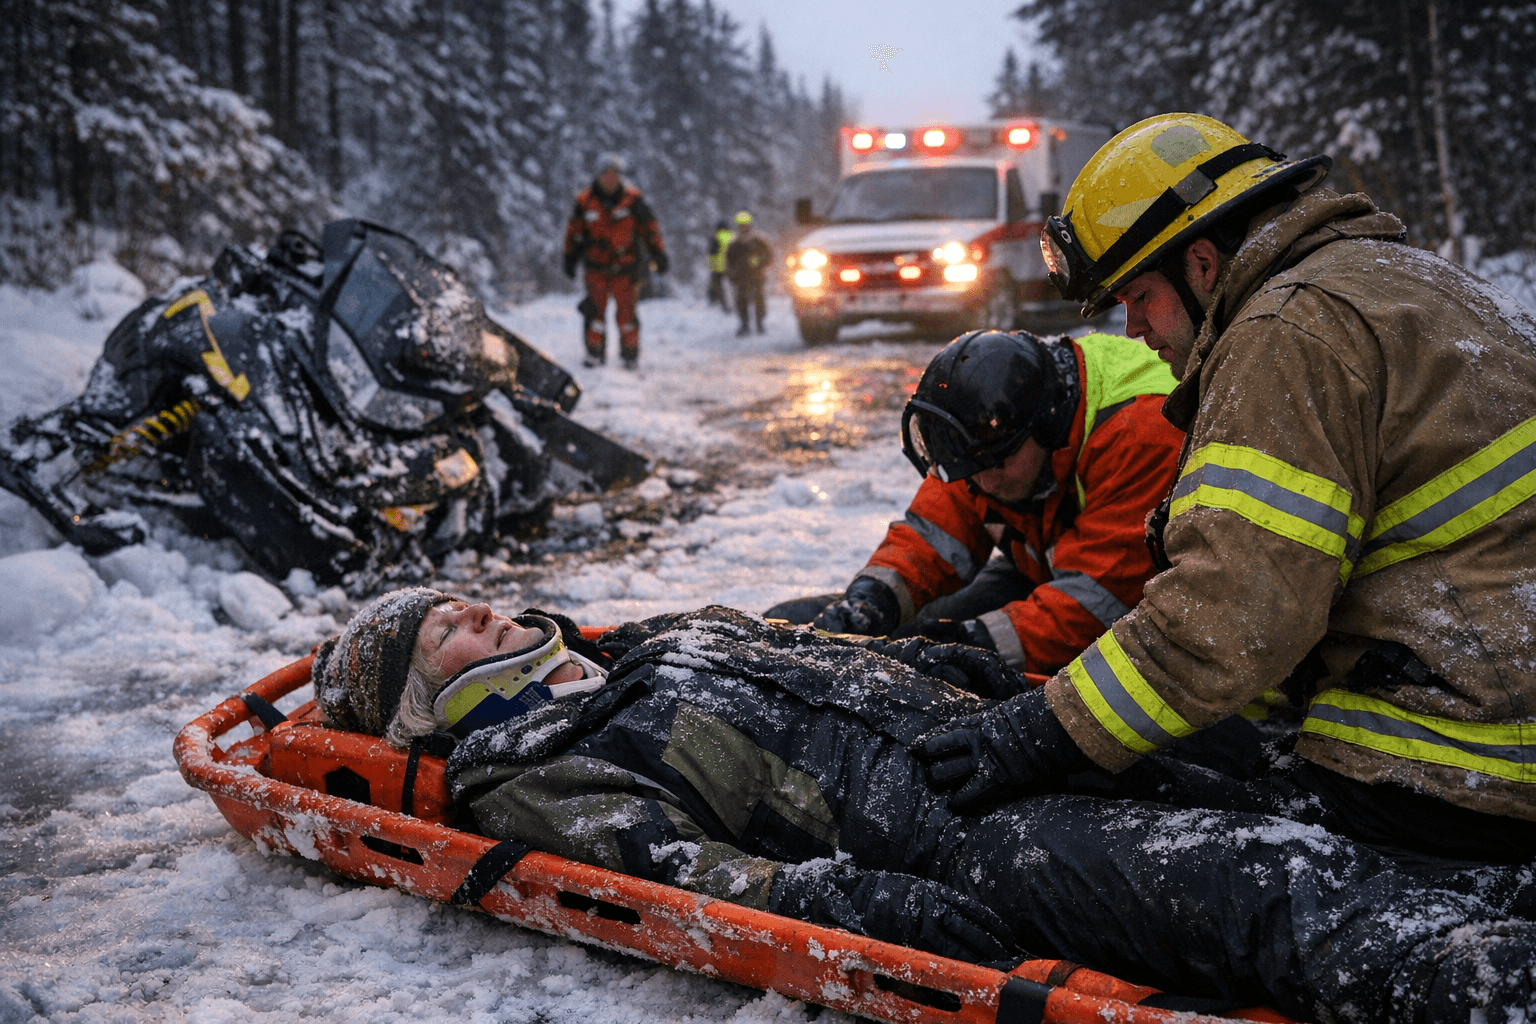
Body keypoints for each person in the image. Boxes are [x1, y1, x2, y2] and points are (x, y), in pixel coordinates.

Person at [313, 590, 1536, 1023]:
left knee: (1302, 797)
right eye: (443, 627)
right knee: (1262, 886)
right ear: (417, 700)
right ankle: (1486, 980)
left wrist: (985, 678)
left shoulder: (647, 638)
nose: (477, 609)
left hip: (1000, 746)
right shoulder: (532, 764)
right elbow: (679, 874)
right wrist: (859, 900)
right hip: (963, 837)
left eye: (465, 596)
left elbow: (839, 652)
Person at [916, 112, 1536, 905]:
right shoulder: (1404, 279)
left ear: (1202, 262)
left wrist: (1038, 733)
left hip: (1463, 763)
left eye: (1139, 296)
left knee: (1099, 851)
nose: (1133, 329)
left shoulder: (1283, 333)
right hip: (1496, 707)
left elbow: (1232, 615)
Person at [806, 329, 1183, 678]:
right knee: (924, 628)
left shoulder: (1142, 436)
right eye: (971, 469)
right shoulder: (988, 438)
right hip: (1051, 568)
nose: (985, 483)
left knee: (953, 659)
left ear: (1046, 424)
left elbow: (1095, 605)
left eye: (997, 463)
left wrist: (971, 646)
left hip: (1150, 613)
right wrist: (870, 601)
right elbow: (932, 535)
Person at [563, 154, 668, 369]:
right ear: (598, 176)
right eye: (606, 174)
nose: (610, 179)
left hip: (626, 267)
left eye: (614, 174)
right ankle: (594, 353)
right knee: (594, 313)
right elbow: (574, 232)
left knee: (627, 315)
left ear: (620, 177)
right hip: (596, 268)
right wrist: (569, 257)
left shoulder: (633, 200)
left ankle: (630, 355)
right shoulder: (585, 201)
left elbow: (650, 229)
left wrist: (658, 253)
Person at [724, 210, 771, 336]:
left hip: (756, 277)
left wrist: (760, 265)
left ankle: (760, 324)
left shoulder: (758, 242)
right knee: (741, 302)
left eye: (745, 225)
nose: (743, 228)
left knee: (759, 301)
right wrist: (732, 275)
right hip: (741, 278)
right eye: (741, 226)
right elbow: (729, 261)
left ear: (750, 225)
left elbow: (768, 256)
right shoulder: (734, 245)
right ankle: (744, 325)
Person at [706, 219, 733, 312]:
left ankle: (720, 304)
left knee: (718, 287)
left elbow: (712, 252)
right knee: (731, 288)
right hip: (731, 267)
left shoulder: (716, 237)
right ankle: (734, 305)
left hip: (718, 267)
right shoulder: (733, 236)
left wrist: (711, 266)